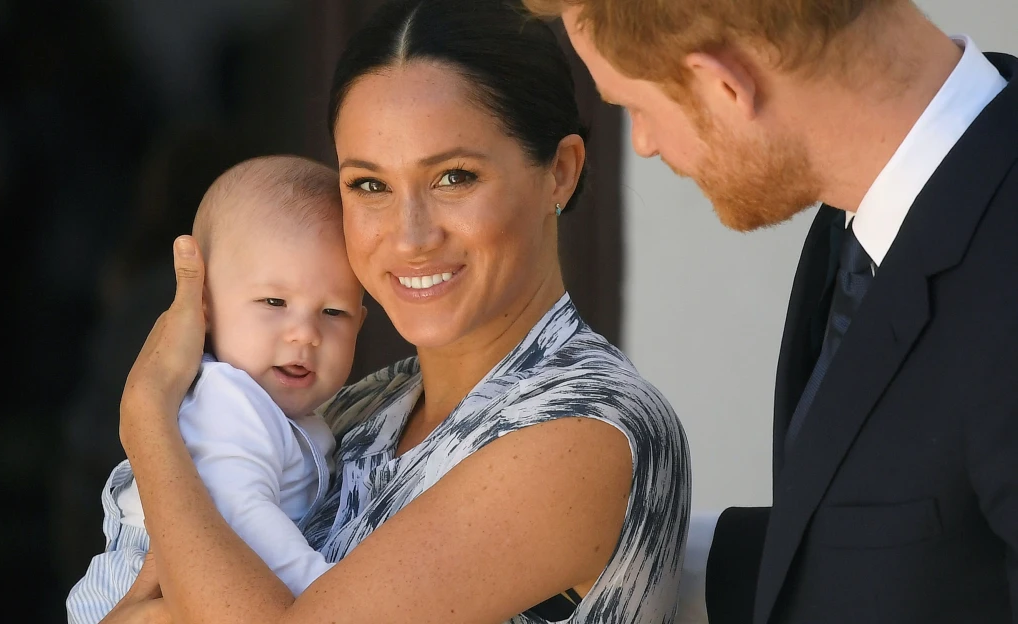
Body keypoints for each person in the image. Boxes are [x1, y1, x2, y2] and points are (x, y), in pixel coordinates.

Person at [101, 1, 691, 622]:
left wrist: (147, 418)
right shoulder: (360, 410)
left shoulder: (587, 429)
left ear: (560, 174)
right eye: (370, 185)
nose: (409, 237)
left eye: (453, 177)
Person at [524, 0, 1018, 622]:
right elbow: (916, 548)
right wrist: (616, 548)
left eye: (632, 107)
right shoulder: (862, 221)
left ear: (726, 86)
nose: (643, 145)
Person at [66, 155, 366, 623]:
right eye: (274, 302)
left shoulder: (288, 411)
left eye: (333, 313)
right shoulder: (228, 401)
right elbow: (243, 518)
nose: (304, 334)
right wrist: (323, 595)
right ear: (203, 307)